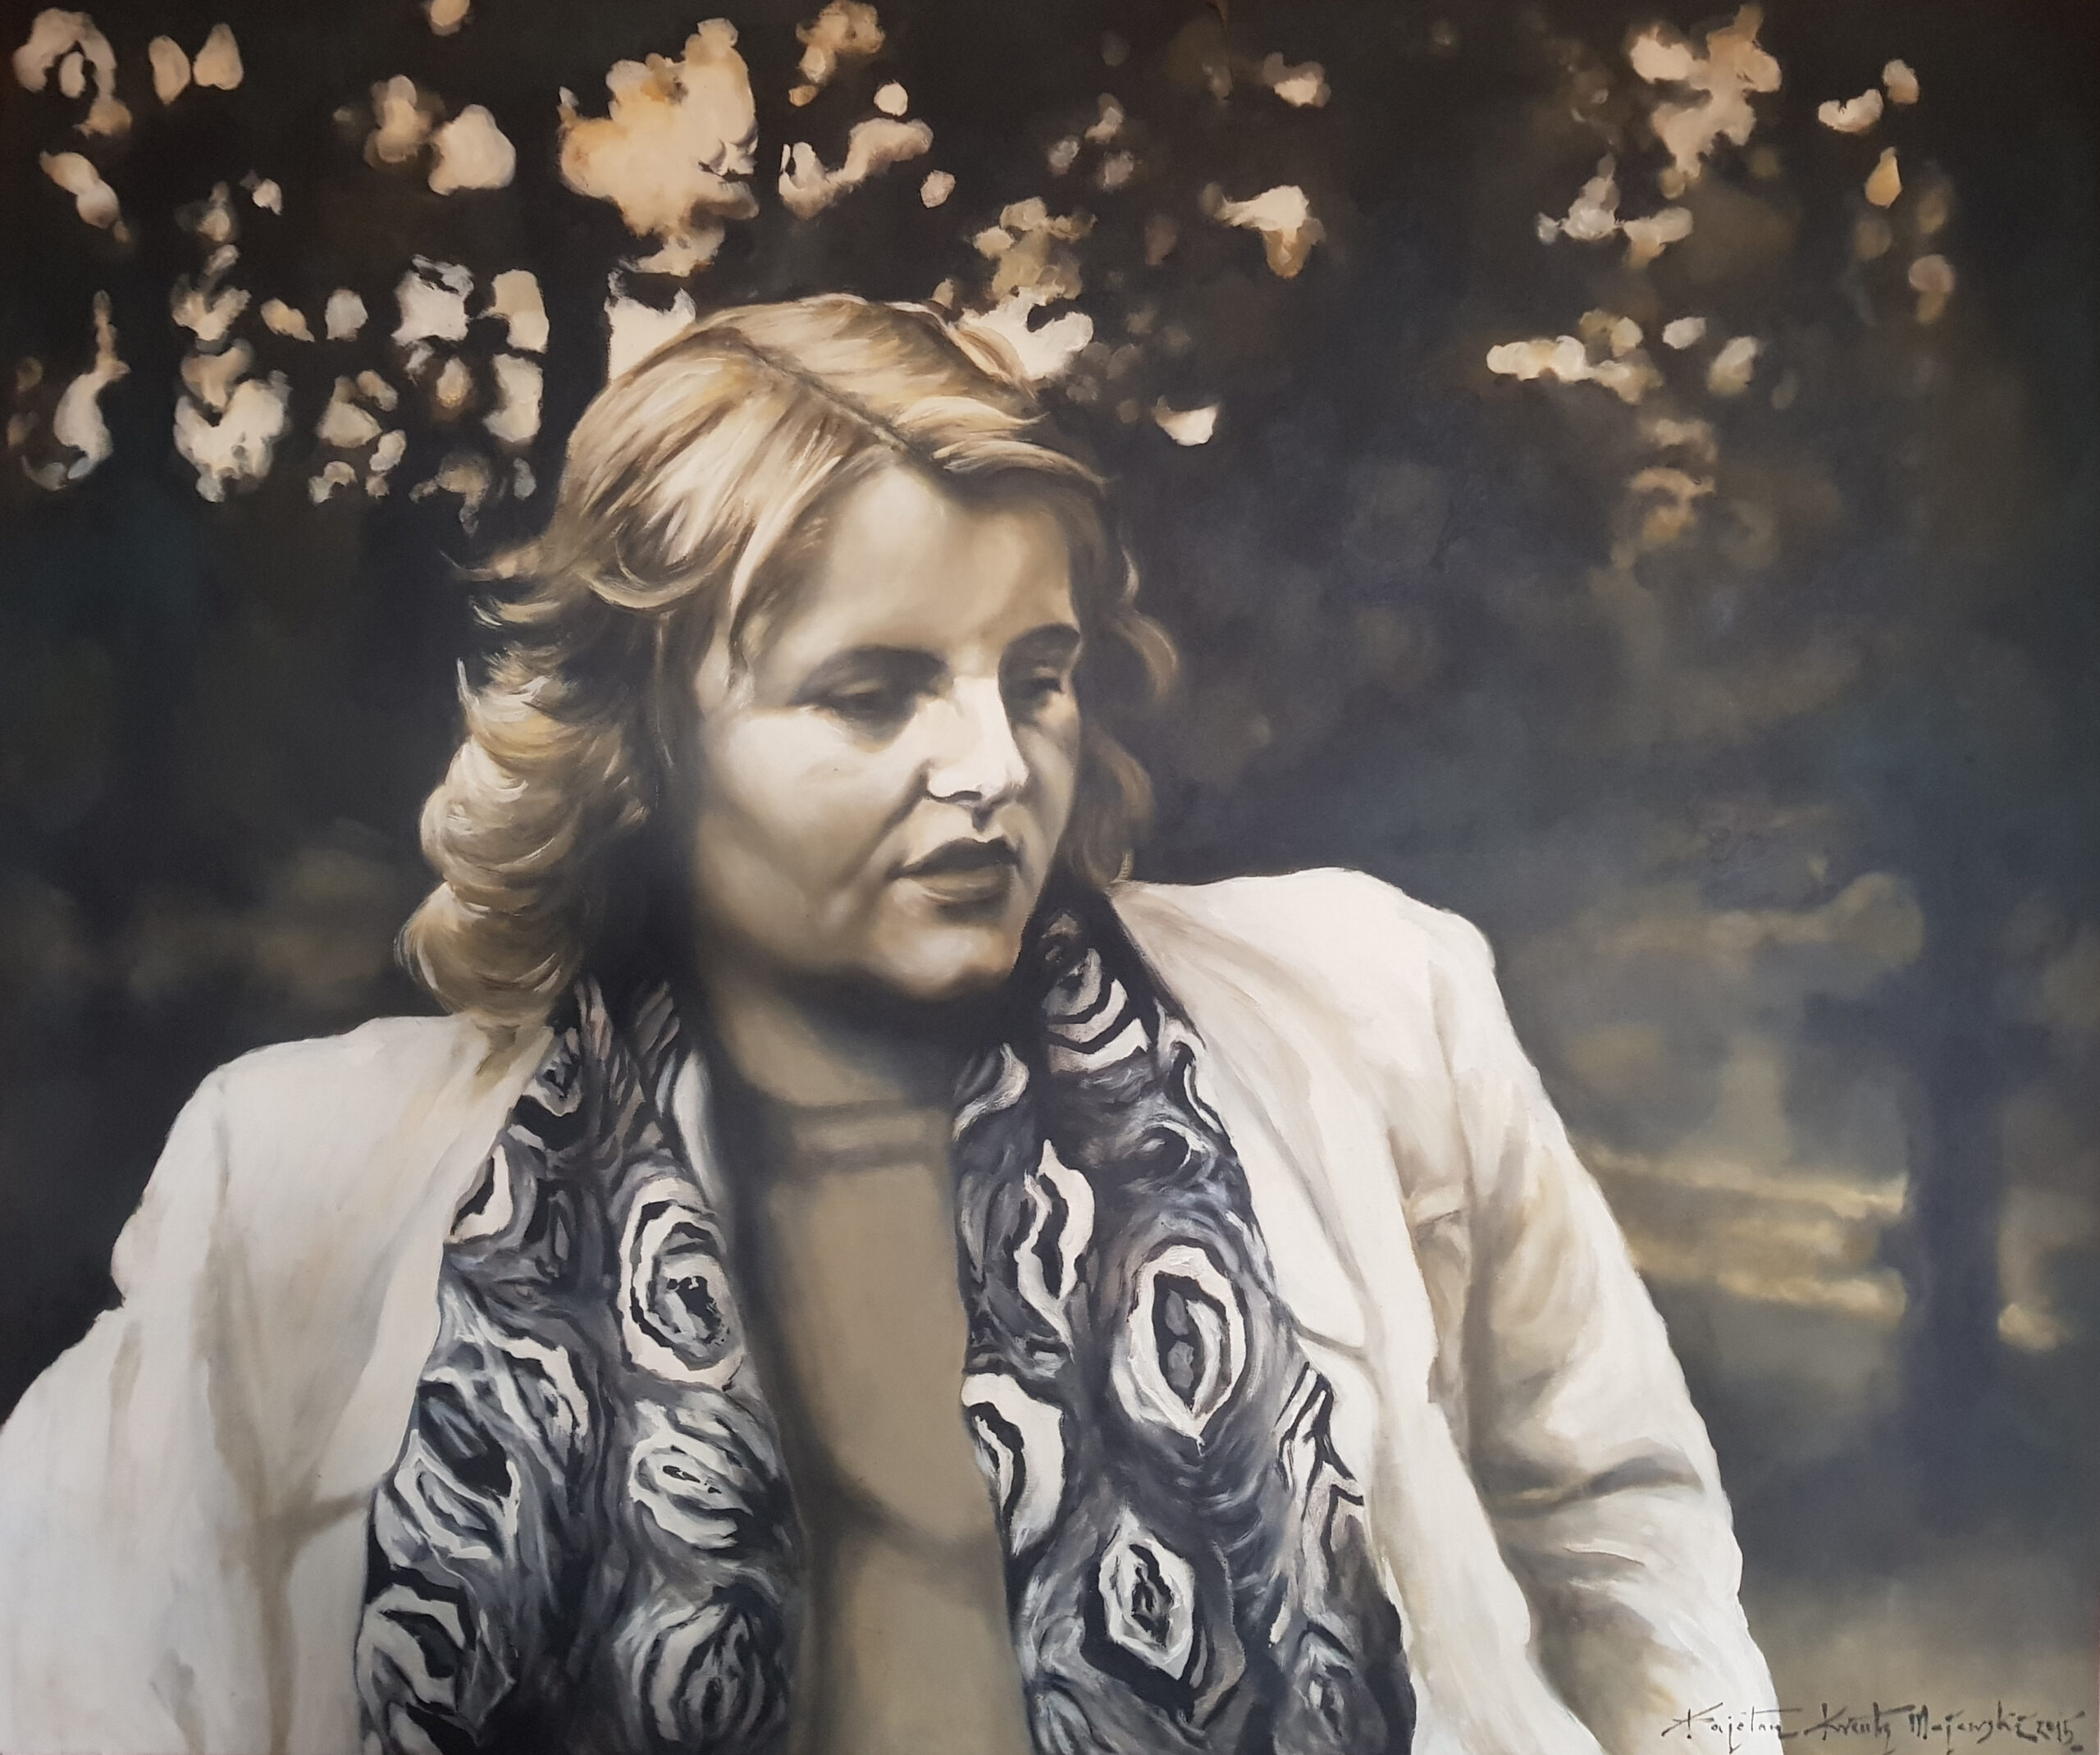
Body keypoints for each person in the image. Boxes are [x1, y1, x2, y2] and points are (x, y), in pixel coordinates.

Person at [0, 295, 1781, 1755]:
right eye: (874, 693)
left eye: (1037, 675)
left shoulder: (1376, 1009)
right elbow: (67, 1680)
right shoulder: (298, 1178)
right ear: (648, 737)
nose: (992, 764)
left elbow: (1625, 1532)